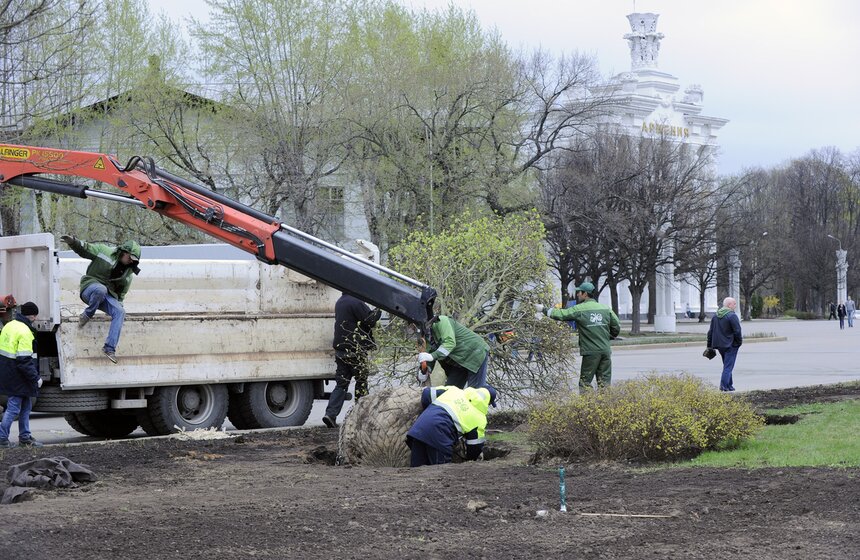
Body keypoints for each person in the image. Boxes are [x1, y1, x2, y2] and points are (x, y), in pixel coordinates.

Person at [60, 235, 141, 364]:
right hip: (90, 288)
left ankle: (109, 348)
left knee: (120, 312)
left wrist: (118, 306)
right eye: (130, 258)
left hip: (107, 295)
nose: (131, 261)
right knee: (100, 289)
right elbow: (86, 249)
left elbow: (121, 294)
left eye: (134, 260)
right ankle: (87, 314)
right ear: (123, 252)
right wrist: (73, 242)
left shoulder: (128, 275)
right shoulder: (104, 252)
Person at [536, 282, 621, 392]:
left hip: (591, 352)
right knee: (604, 383)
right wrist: (610, 336)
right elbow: (616, 326)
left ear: (585, 294)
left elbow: (562, 314)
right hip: (605, 350)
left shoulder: (580, 309)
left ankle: (587, 407)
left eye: (579, 292)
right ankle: (605, 405)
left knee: (585, 382)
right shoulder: (606, 309)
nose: (577, 295)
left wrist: (544, 309)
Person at [322, 293, 381, 428]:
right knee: (361, 382)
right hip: (355, 350)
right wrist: (379, 309)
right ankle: (361, 416)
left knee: (341, 384)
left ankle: (330, 414)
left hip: (341, 351)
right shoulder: (356, 302)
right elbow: (370, 320)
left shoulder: (340, 301)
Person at [405, 384, 497, 467]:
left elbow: (426, 394)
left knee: (416, 472)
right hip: (440, 437)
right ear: (488, 402)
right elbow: (474, 448)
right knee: (439, 474)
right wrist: (469, 460)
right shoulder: (479, 418)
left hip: (419, 428)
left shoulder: (454, 391)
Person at [0, 296, 43, 448]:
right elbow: (24, 360)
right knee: (13, 407)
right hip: (19, 375)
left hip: (8, 371)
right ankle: (2, 438)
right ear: (32, 315)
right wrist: (35, 378)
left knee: (26, 405)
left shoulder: (9, 325)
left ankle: (25, 437)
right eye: (35, 315)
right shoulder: (25, 332)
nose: (35, 318)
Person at [416, 315, 490, 389]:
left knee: (475, 392)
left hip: (474, 353)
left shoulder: (442, 321)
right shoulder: (427, 336)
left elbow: (449, 343)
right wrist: (425, 370)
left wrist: (432, 356)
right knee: (449, 392)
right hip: (459, 363)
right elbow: (430, 352)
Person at [706, 296, 743, 392]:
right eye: (734, 303)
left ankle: (730, 385)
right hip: (730, 345)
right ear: (729, 305)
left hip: (719, 345)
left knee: (727, 365)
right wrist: (738, 343)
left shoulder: (716, 316)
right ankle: (724, 386)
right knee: (728, 366)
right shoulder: (732, 315)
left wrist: (709, 345)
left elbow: (710, 332)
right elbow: (737, 331)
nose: (735, 305)